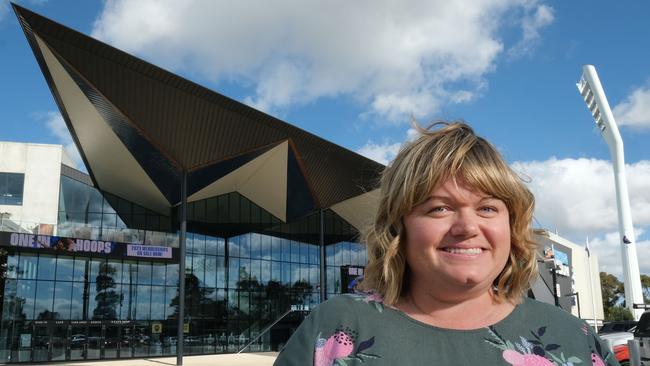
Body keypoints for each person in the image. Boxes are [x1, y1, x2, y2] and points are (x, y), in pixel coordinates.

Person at [274, 122, 618, 366]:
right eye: (439, 208)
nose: (467, 227)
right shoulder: (334, 329)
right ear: (399, 227)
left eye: (487, 208)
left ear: (511, 227)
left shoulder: (574, 338)